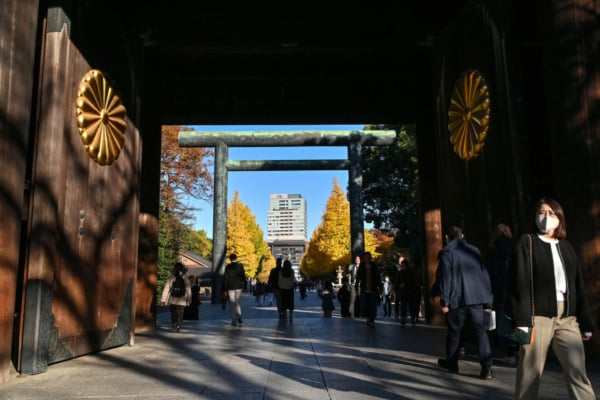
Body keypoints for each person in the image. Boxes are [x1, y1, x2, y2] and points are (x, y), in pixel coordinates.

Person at [509, 198, 595, 400]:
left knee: (577, 370)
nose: (546, 217)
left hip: (567, 317)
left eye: (551, 213)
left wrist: (586, 322)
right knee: (530, 372)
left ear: (560, 217)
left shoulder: (566, 247)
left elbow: (578, 286)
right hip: (535, 316)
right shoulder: (527, 243)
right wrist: (521, 322)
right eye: (541, 212)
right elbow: (516, 284)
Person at [436, 225, 494, 379]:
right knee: (481, 332)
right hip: (477, 296)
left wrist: (445, 301)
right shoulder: (474, 250)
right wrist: (488, 296)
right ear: (462, 236)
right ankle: (487, 367)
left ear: (447, 237)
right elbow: (484, 273)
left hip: (457, 297)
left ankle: (452, 363)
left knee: (455, 332)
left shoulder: (447, 252)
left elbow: (445, 278)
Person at [486, 223, 518, 362]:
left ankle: (509, 352)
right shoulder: (515, 248)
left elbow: (489, 273)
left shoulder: (493, 251)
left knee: (504, 320)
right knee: (519, 319)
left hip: (499, 289)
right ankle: (520, 348)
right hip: (516, 288)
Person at [160, 262, 192, 332]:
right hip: (182, 299)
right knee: (180, 313)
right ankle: (178, 325)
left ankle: (174, 324)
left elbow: (167, 288)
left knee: (173, 312)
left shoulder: (171, 277)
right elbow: (188, 289)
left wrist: (163, 299)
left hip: (173, 298)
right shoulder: (185, 278)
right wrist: (189, 299)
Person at [356, 252, 381, 327]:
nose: (367, 259)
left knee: (373, 305)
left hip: (373, 288)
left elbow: (378, 277)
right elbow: (358, 276)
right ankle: (368, 317)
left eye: (368, 257)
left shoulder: (374, 266)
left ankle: (372, 319)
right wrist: (357, 285)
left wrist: (380, 287)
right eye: (365, 257)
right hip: (364, 288)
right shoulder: (362, 266)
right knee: (365, 305)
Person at [223, 253, 246, 327]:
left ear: (230, 259)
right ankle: (239, 317)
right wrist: (244, 285)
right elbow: (243, 276)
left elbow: (226, 279)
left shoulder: (228, 267)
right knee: (237, 303)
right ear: (236, 258)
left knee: (232, 304)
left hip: (230, 287)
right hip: (238, 286)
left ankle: (234, 321)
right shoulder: (240, 266)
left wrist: (225, 289)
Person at [396, 259, 418, 326]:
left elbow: (413, 282)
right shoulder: (400, 273)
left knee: (411, 307)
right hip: (403, 292)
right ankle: (403, 320)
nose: (403, 267)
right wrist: (399, 286)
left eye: (404, 266)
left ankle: (412, 319)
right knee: (403, 307)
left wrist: (405, 284)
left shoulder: (411, 273)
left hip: (410, 292)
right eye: (402, 266)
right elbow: (397, 282)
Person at [392, 253, 405, 318]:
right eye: (400, 259)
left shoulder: (406, 267)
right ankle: (397, 313)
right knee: (397, 299)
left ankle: (403, 312)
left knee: (403, 300)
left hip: (404, 285)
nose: (401, 261)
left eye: (402, 260)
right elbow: (393, 276)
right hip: (397, 285)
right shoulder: (395, 267)